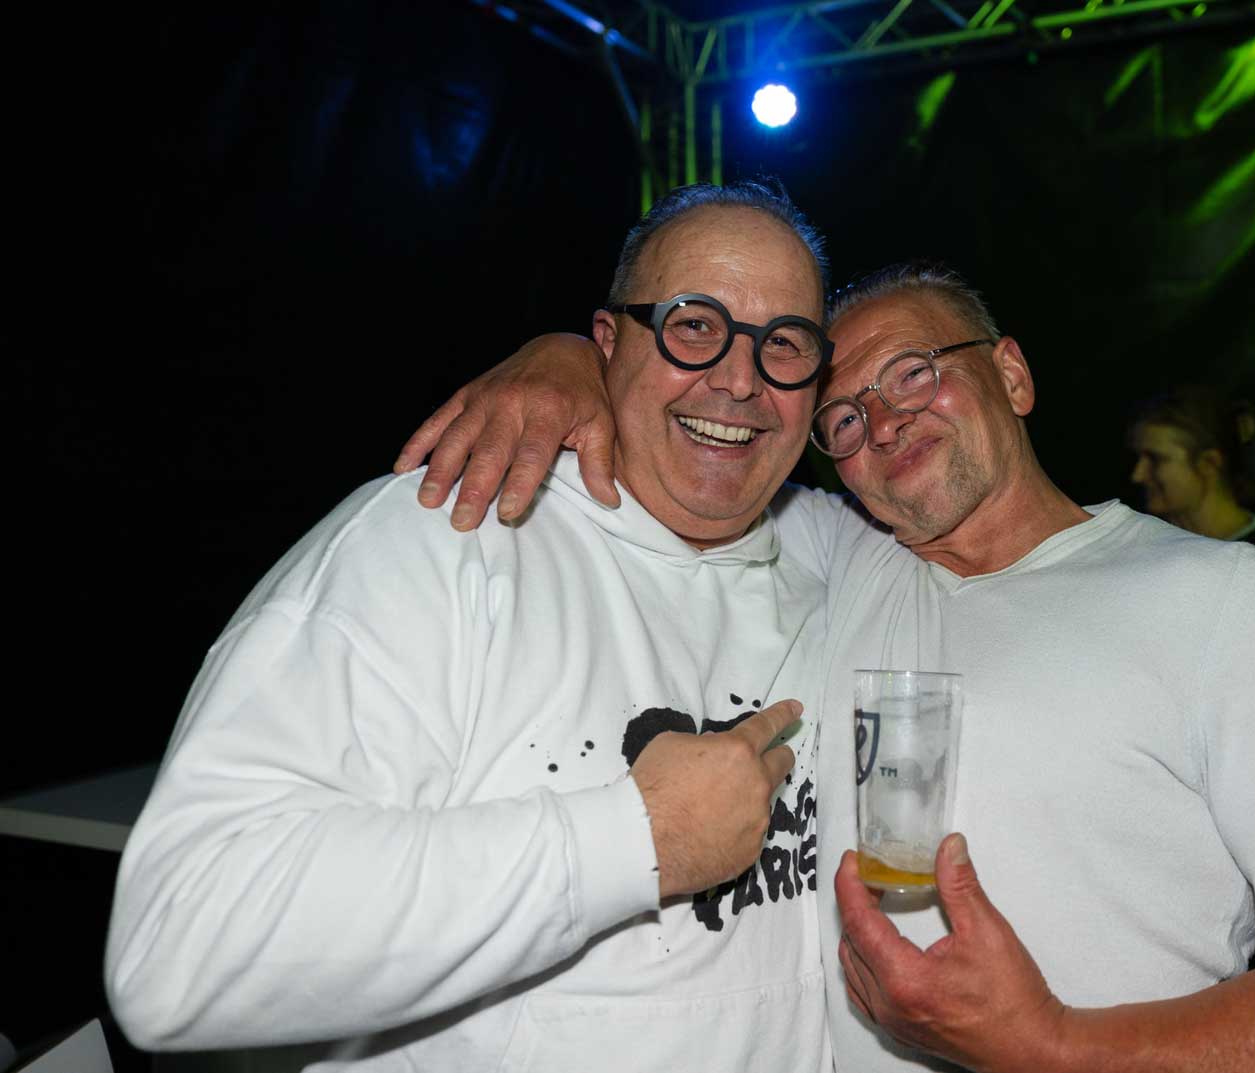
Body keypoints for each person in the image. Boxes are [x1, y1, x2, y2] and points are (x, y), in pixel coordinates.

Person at [396, 262, 1255, 1073]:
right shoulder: (841, 559)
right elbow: (703, 424)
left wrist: (1055, 1046)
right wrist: (569, 360)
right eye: (843, 415)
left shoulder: (1237, 606)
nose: (882, 420)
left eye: (915, 371)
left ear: (1010, 372)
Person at [104, 181, 839, 1072]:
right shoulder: (447, 534)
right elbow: (178, 943)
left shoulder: (834, 556)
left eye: (785, 342)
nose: (740, 379)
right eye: (693, 325)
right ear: (609, 343)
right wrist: (635, 837)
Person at [1128, 384, 1255, 594]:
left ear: (1209, 463)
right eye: (1138, 458)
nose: (1138, 475)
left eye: (1155, 459)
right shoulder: (1140, 544)